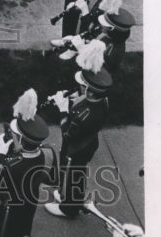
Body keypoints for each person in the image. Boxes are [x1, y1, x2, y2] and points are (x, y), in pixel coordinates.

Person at [0, 89, 58, 237]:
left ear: (22, 141)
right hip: (30, 198)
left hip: (11, 202)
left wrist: (1, 153)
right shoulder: (46, 152)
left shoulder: (12, 163)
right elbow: (52, 178)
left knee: (6, 231)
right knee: (23, 228)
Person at [44, 67, 112, 218]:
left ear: (91, 91)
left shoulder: (86, 116)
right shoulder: (100, 99)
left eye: (83, 86)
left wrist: (62, 109)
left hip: (77, 148)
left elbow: (67, 134)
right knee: (74, 175)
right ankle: (66, 195)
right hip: (87, 143)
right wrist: (74, 97)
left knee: (71, 175)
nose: (80, 87)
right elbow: (84, 101)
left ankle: (68, 208)